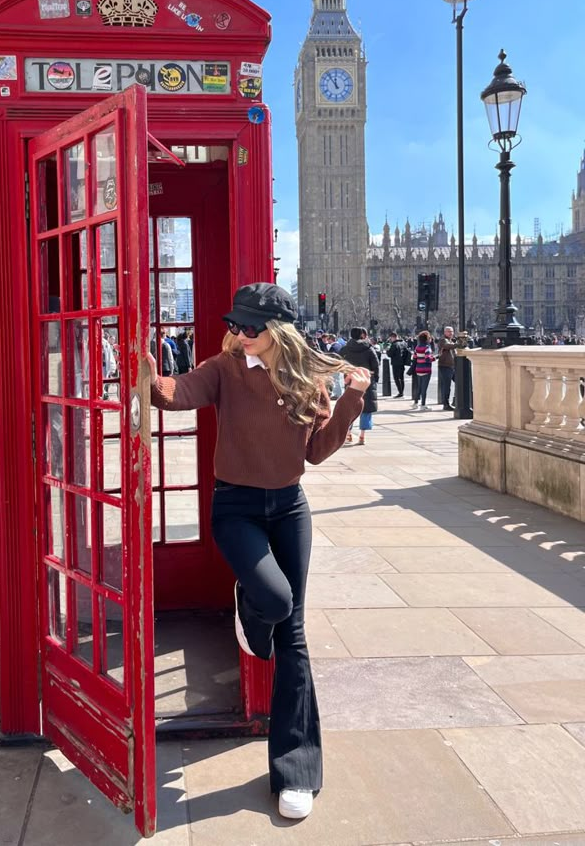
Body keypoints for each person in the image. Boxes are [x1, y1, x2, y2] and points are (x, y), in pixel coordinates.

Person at [147, 282, 370, 820]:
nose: (239, 333)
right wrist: (142, 366)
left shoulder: (308, 379)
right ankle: (251, 608)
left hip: (290, 507)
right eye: (236, 324)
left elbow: (315, 453)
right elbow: (174, 393)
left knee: (294, 635)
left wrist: (350, 401)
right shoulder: (223, 369)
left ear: (279, 332)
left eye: (250, 326)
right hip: (236, 509)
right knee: (274, 600)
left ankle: (296, 768)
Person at [339, 327, 379, 445]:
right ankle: (362, 436)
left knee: (350, 407)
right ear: (362, 335)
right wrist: (374, 378)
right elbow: (375, 365)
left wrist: (346, 375)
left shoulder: (345, 349)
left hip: (351, 380)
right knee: (366, 408)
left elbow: (340, 363)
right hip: (366, 380)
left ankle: (348, 434)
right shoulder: (369, 349)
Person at [411, 330, 434, 409]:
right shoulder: (427, 348)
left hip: (418, 369)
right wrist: (434, 358)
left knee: (419, 387)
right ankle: (423, 404)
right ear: (427, 339)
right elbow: (428, 359)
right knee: (424, 387)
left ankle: (415, 403)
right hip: (426, 369)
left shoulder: (417, 347)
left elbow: (414, 357)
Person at [437, 326, 456, 411]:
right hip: (445, 366)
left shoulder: (451, 340)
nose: (451, 333)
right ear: (444, 332)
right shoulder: (443, 340)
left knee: (460, 383)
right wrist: (458, 344)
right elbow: (447, 346)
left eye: (452, 331)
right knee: (447, 386)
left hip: (452, 366)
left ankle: (456, 400)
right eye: (448, 331)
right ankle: (446, 404)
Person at [387, 331, 410, 398]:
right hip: (402, 362)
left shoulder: (394, 345)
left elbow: (390, 354)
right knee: (401, 377)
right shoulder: (403, 343)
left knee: (396, 378)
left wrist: (388, 350)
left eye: (391, 338)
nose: (390, 340)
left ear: (393, 337)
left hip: (396, 363)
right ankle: (402, 391)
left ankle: (400, 392)